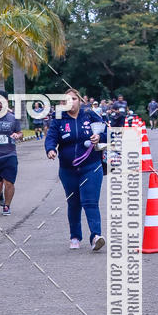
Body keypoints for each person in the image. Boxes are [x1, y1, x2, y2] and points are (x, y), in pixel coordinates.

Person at [45, 88, 106, 251]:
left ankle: (95, 237)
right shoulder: (58, 119)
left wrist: (99, 136)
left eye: (74, 99)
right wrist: (50, 149)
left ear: (79, 100)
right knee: (73, 203)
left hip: (91, 167)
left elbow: (105, 130)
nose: (70, 102)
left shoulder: (89, 114)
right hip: (68, 170)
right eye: (66, 100)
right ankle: (75, 236)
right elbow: (51, 137)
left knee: (90, 202)